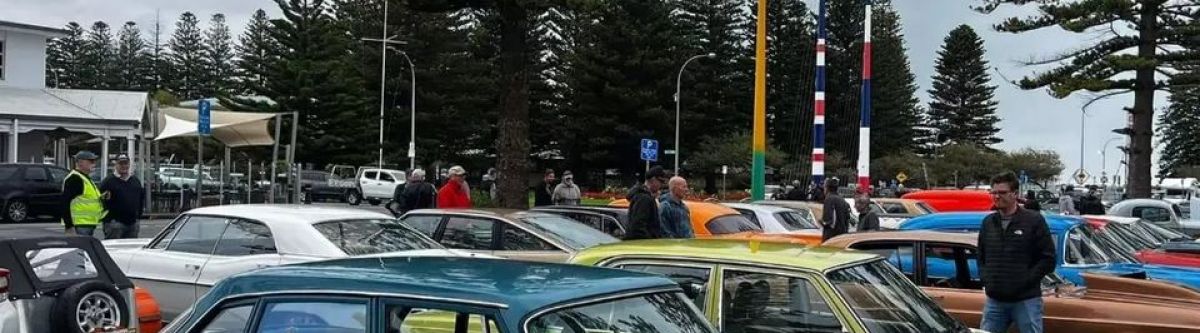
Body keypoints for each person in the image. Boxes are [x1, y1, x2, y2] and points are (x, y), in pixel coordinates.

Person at [978, 172, 1055, 333]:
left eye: (1002, 192)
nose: (997, 197)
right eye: (994, 193)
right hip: (995, 300)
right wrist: (987, 281)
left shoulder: (1033, 221)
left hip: (1026, 300)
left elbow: (1047, 259)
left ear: (1015, 194)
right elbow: (981, 256)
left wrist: (1025, 281)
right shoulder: (988, 223)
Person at [61, 151, 105, 236]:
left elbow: (87, 198)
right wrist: (69, 226)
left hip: (86, 224)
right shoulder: (75, 179)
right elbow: (65, 203)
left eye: (94, 161)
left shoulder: (84, 178)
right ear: (80, 162)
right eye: (91, 161)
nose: (94, 164)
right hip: (79, 225)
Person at [99, 155, 143, 239]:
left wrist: (138, 217)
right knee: (113, 249)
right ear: (116, 165)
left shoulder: (135, 181)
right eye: (121, 164)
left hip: (133, 224)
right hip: (115, 224)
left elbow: (141, 199)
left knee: (131, 250)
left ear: (129, 164)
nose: (124, 166)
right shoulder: (108, 182)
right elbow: (101, 201)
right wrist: (108, 219)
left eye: (126, 163)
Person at [624, 166, 669, 240]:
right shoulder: (644, 198)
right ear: (653, 179)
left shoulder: (642, 196)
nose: (661, 185)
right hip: (643, 245)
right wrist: (650, 241)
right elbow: (638, 226)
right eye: (660, 182)